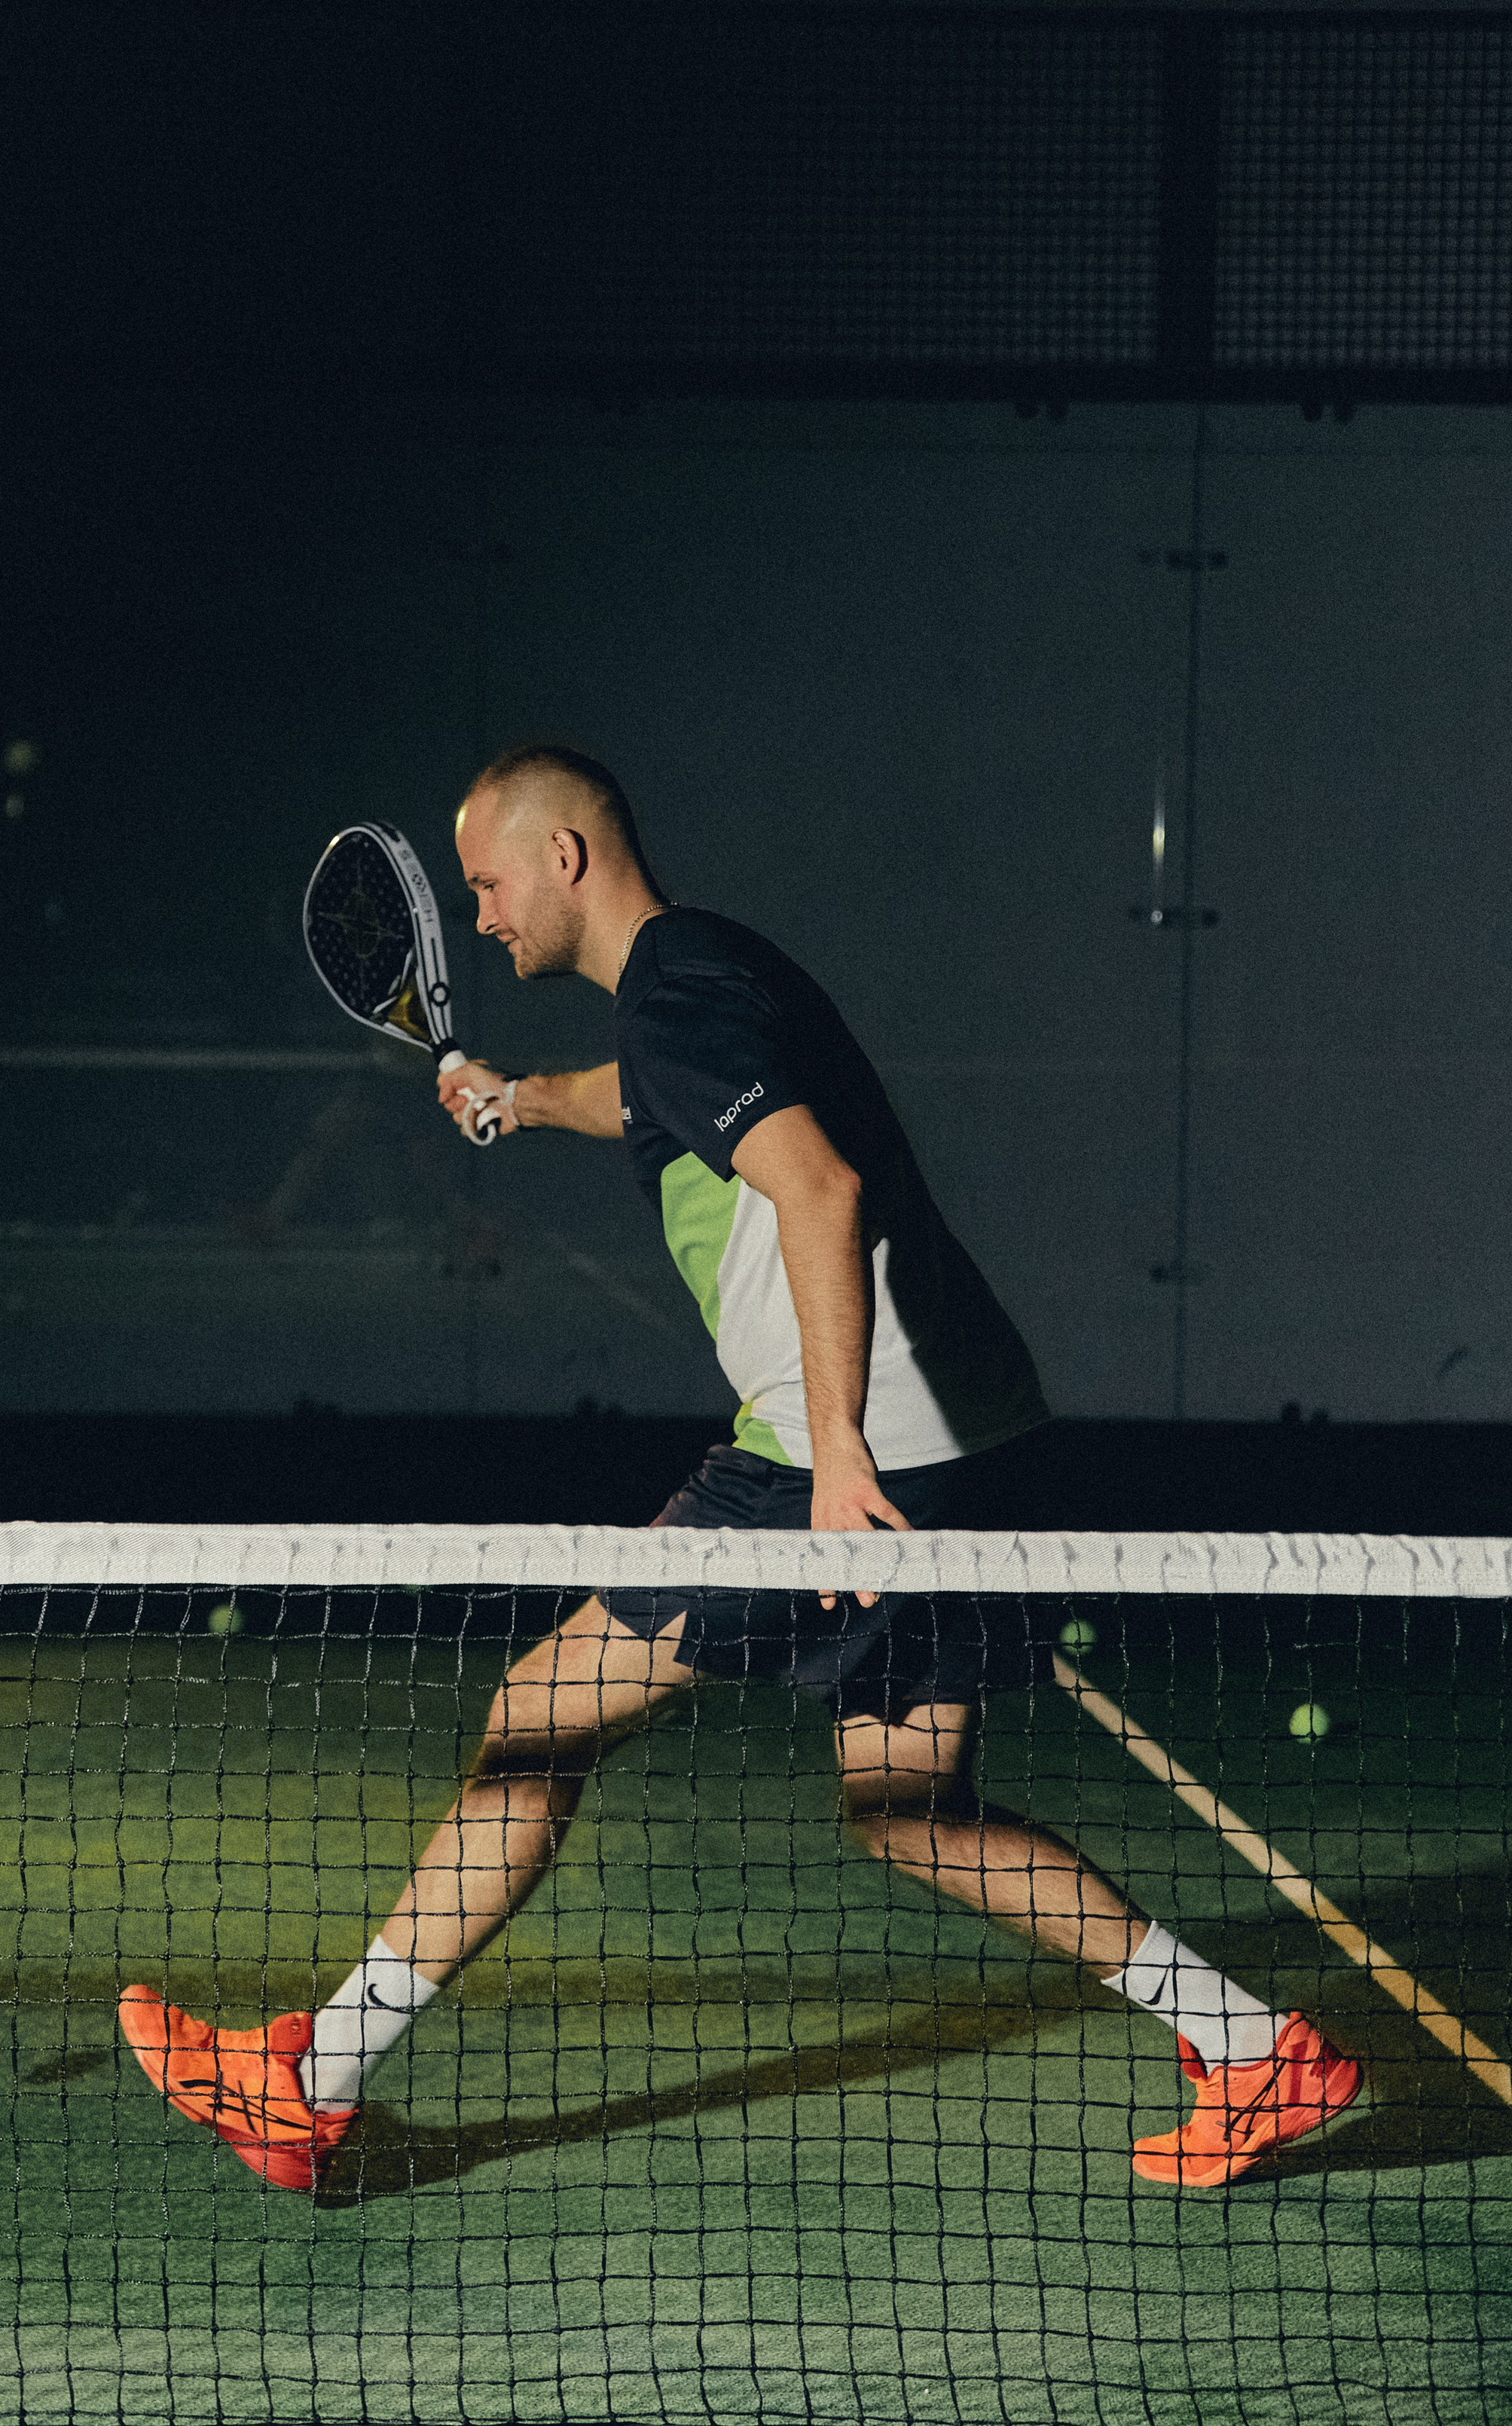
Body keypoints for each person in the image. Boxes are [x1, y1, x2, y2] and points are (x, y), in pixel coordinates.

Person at [120, 744, 1362, 2193]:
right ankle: (1253, 2042)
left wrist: (835, 1455)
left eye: (487, 880)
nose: (481, 915)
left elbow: (816, 1183)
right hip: (968, 1437)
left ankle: (309, 2082)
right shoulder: (697, 987)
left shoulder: (683, 992)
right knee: (916, 1815)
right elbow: (655, 1096)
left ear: (567, 857)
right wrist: (521, 1098)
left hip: (848, 1456)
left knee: (538, 1717)